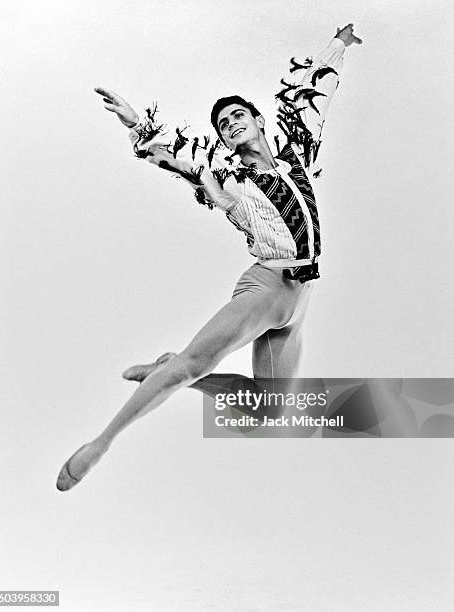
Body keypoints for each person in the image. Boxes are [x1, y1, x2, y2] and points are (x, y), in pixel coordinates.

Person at [56, 23, 362, 491]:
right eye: (223, 125)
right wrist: (138, 123)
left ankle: (166, 366)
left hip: (301, 300)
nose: (231, 123)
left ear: (259, 120)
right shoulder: (224, 177)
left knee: (269, 412)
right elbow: (175, 154)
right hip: (266, 287)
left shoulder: (296, 150)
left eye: (238, 115)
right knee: (194, 365)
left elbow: (313, 88)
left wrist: (338, 45)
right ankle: (102, 442)